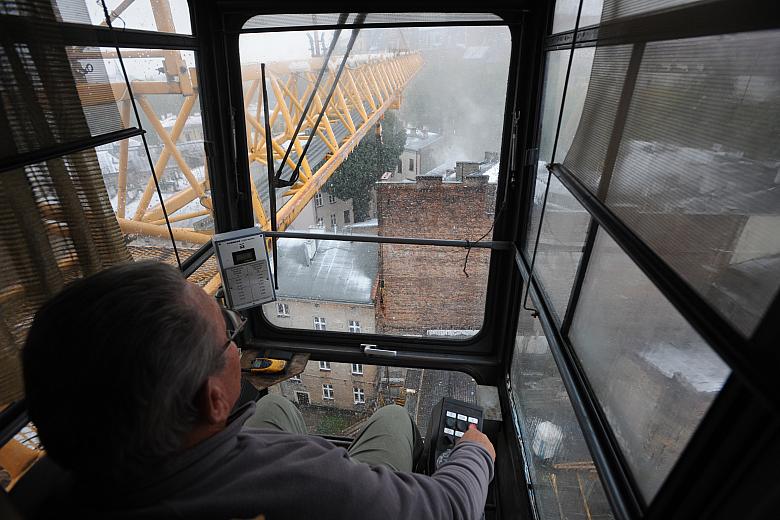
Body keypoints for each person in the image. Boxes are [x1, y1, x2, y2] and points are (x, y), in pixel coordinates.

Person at [22, 261, 496, 519]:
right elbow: (450, 508)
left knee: (275, 407)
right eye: (229, 333)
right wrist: (476, 452)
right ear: (213, 401)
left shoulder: (49, 496)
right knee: (393, 417)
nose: (239, 344)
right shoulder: (302, 478)